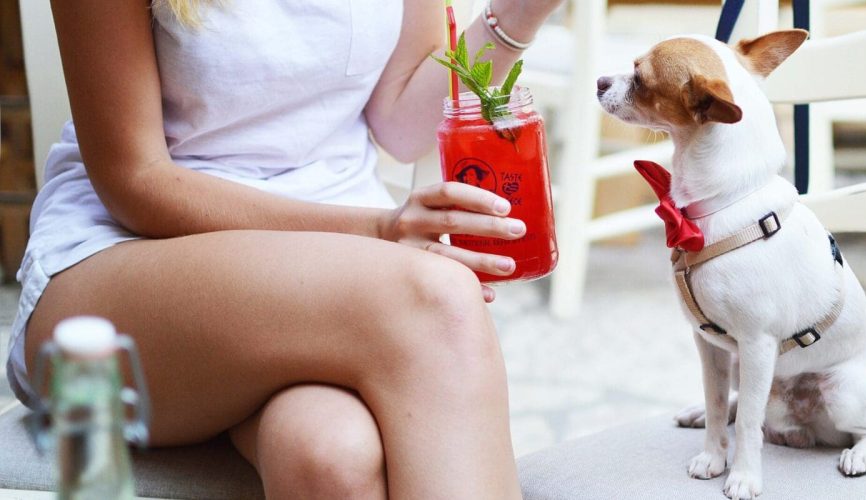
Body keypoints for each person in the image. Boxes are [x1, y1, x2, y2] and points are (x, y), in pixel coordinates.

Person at [5, 1, 560, 498]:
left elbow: (400, 124)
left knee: (329, 456)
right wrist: (376, 232)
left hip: (324, 292)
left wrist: (518, 13)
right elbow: (136, 181)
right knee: (436, 295)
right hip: (127, 274)